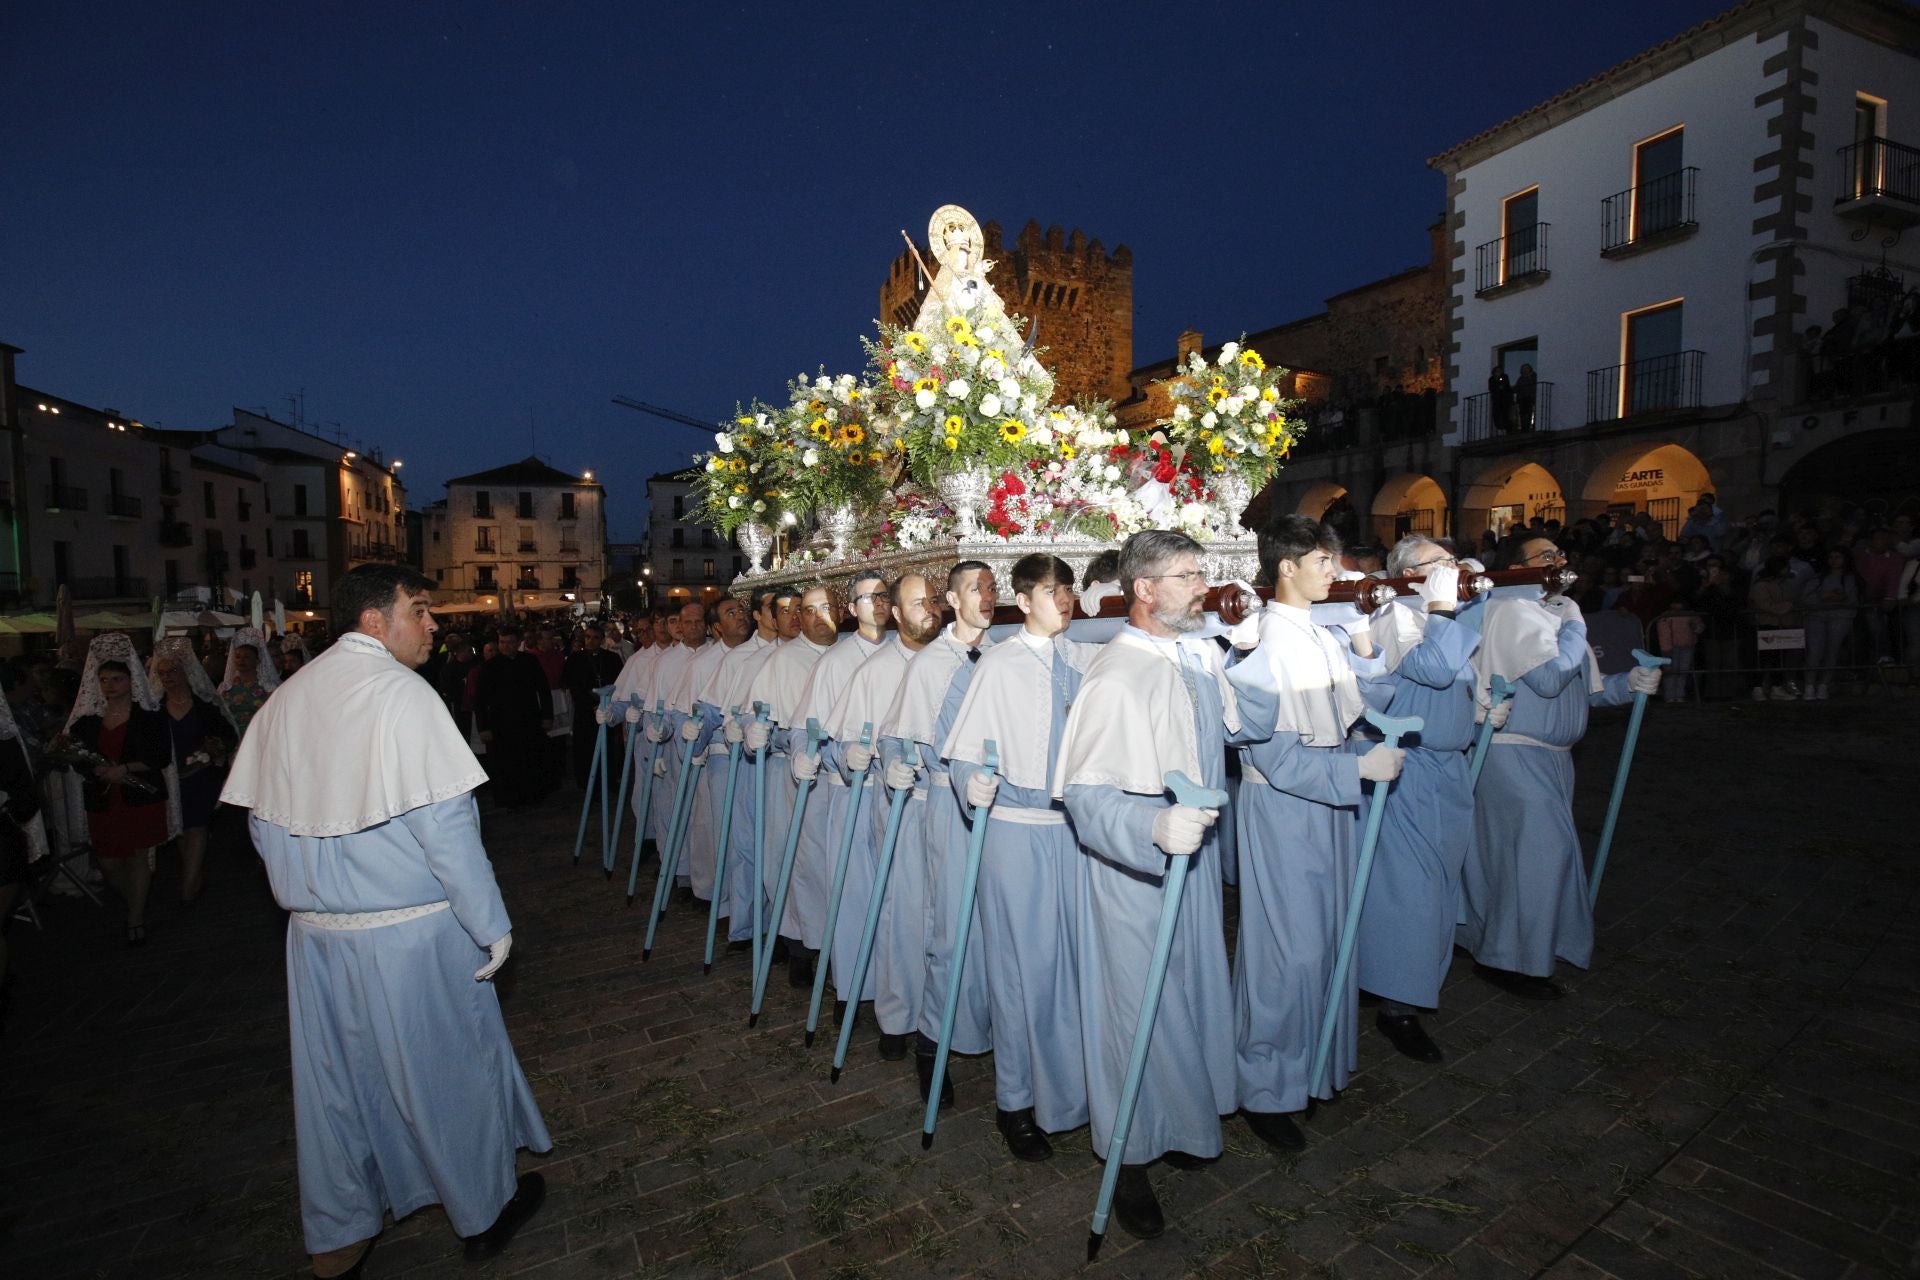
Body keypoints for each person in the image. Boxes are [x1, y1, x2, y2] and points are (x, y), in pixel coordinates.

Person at [222, 564, 548, 1276]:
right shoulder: (403, 695)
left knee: (338, 1091)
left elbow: (262, 823)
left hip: (313, 940)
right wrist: (491, 924)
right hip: (409, 936)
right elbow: (448, 831)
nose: (434, 625)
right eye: (421, 611)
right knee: (446, 1073)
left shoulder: (288, 697)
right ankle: (483, 1210)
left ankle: (341, 1237)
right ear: (375, 620)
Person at [1055, 531, 1251, 1240]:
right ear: (1143, 589)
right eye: (1187, 575)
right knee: (1132, 1012)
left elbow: (1237, 731)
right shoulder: (1114, 675)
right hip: (1133, 871)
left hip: (1189, 864)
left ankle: (1181, 1120)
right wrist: (1149, 827)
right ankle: (1128, 1155)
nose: (1202, 586)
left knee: (1187, 1000)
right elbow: (1085, 796)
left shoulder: (1190, 659)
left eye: (1201, 572)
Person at [1222, 515, 1397, 1145]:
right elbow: (1275, 757)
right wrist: (1356, 773)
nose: (1335, 570)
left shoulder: (1322, 635)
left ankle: (1314, 1065)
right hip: (1286, 807)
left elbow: (1351, 717)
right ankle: (1264, 1087)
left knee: (1327, 938)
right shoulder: (1265, 643)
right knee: (1286, 949)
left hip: (1328, 803)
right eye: (1322, 560)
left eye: (1334, 559)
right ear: (1286, 566)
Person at [1458, 538, 1659, 999]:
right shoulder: (1512, 610)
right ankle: (1508, 961)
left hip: (1554, 759)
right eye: (1545, 557)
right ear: (1515, 568)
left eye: (1561, 555)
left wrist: (1628, 683)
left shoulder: (1554, 613)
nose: (1559, 563)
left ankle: (1516, 949)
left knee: (1528, 861)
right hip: (1512, 755)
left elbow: (1582, 689)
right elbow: (1549, 679)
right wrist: (1573, 624)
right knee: (1535, 860)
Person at [943, 554, 1095, 1162]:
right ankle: (1017, 1102)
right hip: (1014, 833)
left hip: (1074, 832)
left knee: (1073, 965)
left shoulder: (1081, 659)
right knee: (1019, 969)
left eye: (1070, 591)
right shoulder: (999, 665)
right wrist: (968, 781)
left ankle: (1074, 1092)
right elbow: (962, 751)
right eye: (1054, 592)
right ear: (1025, 598)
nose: (1065, 602)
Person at [1350, 536, 1478, 1064]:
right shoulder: (1399, 615)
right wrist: (1443, 606)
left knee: (1439, 883)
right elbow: (1436, 670)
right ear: (1406, 574)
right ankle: (1398, 1006)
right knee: (1413, 890)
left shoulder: (1440, 616)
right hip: (1411, 767)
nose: (1450, 569)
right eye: (1438, 564)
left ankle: (1397, 978)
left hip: (1449, 766)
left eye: (1450, 560)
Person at [879, 560, 997, 1105]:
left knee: (996, 932)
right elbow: (897, 736)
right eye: (975, 588)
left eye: (991, 587)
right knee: (949, 931)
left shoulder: (1004, 652)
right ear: (951, 600)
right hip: (949, 806)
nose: (986, 596)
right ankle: (932, 1048)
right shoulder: (930, 665)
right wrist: (894, 763)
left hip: (1005, 810)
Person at [814, 573, 936, 1056]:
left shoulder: (947, 660)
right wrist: (850, 757)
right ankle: (886, 1008)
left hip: (940, 808)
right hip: (881, 804)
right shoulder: (858, 667)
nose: (885, 605)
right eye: (879, 598)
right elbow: (831, 738)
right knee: (891, 910)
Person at [788, 576, 889, 999]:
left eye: (885, 595)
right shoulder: (834, 663)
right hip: (852, 795)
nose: (879, 604)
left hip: (898, 791)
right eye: (870, 597)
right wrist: (837, 758)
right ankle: (854, 991)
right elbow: (805, 733)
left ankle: (895, 991)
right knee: (853, 896)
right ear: (851, 608)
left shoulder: (910, 653)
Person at [58, 636, 173, 945]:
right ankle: (136, 900)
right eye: (104, 680)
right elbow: (76, 753)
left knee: (138, 856)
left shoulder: (148, 716)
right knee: (109, 862)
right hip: (104, 798)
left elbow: (161, 755)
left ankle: (135, 916)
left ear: (130, 680)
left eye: (117, 679)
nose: (109, 685)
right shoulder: (87, 720)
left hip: (140, 795)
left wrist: (127, 768)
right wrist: (93, 768)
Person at [745, 585, 833, 981]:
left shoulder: (846, 652)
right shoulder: (782, 661)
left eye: (808, 609)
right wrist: (766, 735)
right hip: (796, 776)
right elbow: (758, 716)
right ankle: (800, 944)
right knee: (797, 859)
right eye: (794, 610)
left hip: (844, 778)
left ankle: (835, 946)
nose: (800, 617)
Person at [150, 638, 237, 904]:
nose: (168, 678)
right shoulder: (153, 710)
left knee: (197, 826)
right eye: (162, 673)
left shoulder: (205, 706)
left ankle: (188, 887)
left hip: (200, 776)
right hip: (170, 779)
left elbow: (227, 735)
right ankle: (194, 873)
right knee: (179, 828)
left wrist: (213, 750)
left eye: (173, 671)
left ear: (186, 672)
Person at [475, 627, 552, 808]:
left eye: (509, 642)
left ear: (518, 643)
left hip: (528, 720)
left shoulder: (530, 661)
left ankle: (533, 796)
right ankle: (509, 800)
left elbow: (543, 690)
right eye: (502, 642)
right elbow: (480, 700)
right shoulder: (489, 666)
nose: (505, 646)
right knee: (505, 764)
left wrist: (547, 715)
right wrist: (483, 727)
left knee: (530, 759)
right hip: (501, 724)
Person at [561, 623, 625, 787]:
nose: (590, 641)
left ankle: (610, 780)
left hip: (608, 710)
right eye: (588, 637)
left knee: (609, 747)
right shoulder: (575, 659)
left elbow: (620, 684)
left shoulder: (612, 658)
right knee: (585, 747)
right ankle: (588, 783)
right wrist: (590, 702)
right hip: (585, 711)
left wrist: (606, 703)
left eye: (595, 638)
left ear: (602, 640)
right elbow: (571, 685)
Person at [1802, 546, 1860, 700]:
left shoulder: (1851, 579)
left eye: (1838, 557)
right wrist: (1825, 597)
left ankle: (1823, 685)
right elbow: (1806, 599)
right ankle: (1809, 685)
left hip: (1840, 617)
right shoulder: (1818, 578)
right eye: (1831, 557)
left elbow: (1852, 599)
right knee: (1815, 651)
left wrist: (1834, 599)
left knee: (1832, 650)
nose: (1834, 561)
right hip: (1818, 617)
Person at [220, 627, 280, 738]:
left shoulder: (268, 687)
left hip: (259, 737)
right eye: (238, 657)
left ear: (257, 660)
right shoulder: (226, 687)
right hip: (231, 738)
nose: (241, 661)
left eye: (247, 657)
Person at [1488, 363, 1513, 434]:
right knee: (1496, 414)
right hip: (1496, 400)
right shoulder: (1491, 379)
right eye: (1497, 370)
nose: (1498, 372)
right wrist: (1498, 387)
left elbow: (1505, 385)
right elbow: (1491, 388)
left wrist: (1500, 386)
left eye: (1500, 370)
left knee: (1505, 414)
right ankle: (1499, 428)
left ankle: (1505, 429)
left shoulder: (1504, 377)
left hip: (1504, 399)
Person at [1513, 362, 1537, 432]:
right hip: (1522, 398)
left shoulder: (1534, 376)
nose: (1525, 370)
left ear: (1530, 369)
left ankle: (1530, 427)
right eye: (1523, 369)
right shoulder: (1521, 378)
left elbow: (1534, 386)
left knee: (1529, 413)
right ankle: (1524, 428)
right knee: (1523, 414)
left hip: (1530, 397)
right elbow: (1516, 388)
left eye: (1526, 368)